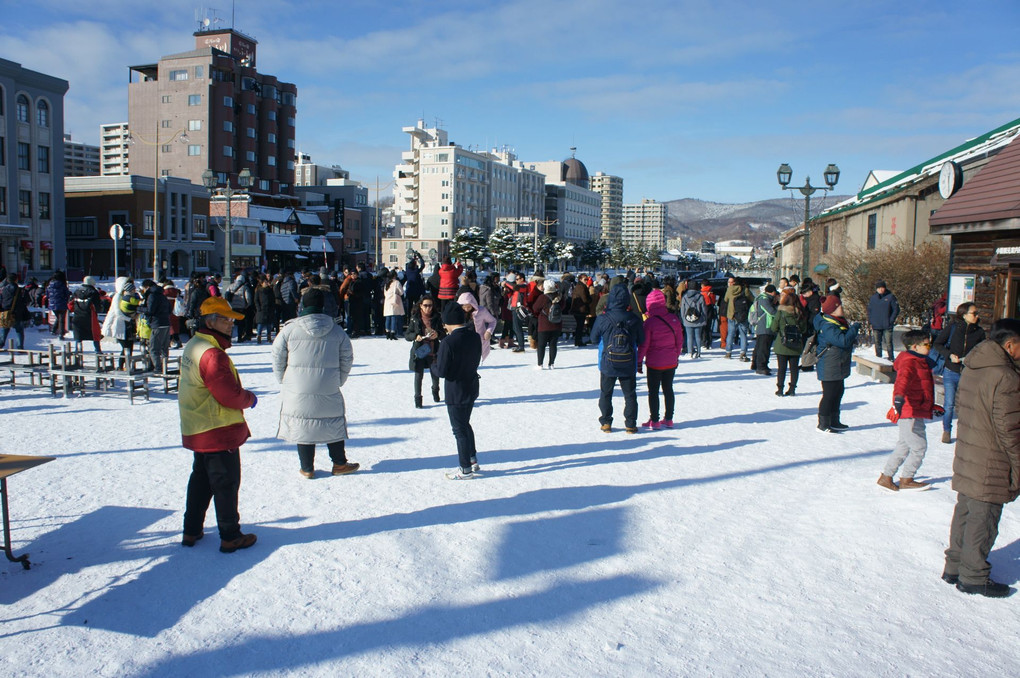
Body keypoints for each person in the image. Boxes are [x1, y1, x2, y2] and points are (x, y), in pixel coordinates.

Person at [942, 318, 1020, 598]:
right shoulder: (1006, 376)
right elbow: (1010, 429)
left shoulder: (975, 366)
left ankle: (954, 566)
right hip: (992, 458)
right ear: (1009, 345)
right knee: (983, 516)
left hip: (970, 449)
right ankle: (973, 575)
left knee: (965, 509)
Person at [179, 296, 258, 554]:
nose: (231, 325)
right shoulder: (213, 354)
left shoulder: (195, 344)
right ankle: (230, 535)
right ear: (211, 321)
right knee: (225, 483)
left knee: (201, 481)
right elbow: (228, 394)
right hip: (217, 429)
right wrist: (249, 398)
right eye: (226, 320)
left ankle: (191, 529)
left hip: (198, 425)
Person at [272, 288, 359, 479]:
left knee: (303, 422)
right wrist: (339, 379)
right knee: (332, 421)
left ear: (302, 304)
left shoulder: (289, 329)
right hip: (328, 384)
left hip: (297, 386)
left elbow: (277, 356)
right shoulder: (336, 330)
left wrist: (283, 380)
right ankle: (339, 463)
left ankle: (307, 468)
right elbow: (347, 357)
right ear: (322, 306)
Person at [877, 330, 936, 492]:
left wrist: (932, 406)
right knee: (919, 447)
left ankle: (886, 477)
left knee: (903, 446)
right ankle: (907, 479)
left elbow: (922, 387)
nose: (929, 347)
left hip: (915, 409)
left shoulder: (919, 360)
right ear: (915, 346)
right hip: (909, 410)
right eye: (927, 344)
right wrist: (899, 399)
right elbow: (902, 381)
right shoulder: (910, 362)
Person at [433, 302, 483, 480]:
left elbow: (442, 371)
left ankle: (465, 469)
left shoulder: (448, 341)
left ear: (449, 322)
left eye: (445, 323)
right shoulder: (475, 336)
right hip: (471, 386)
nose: (444, 326)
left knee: (459, 429)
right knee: (465, 424)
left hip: (456, 391)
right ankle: (472, 459)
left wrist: (433, 365)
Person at [591, 283, 645, 434]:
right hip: (628, 362)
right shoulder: (634, 318)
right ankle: (631, 424)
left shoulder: (603, 318)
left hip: (608, 361)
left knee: (606, 393)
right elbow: (641, 339)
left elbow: (594, 338)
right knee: (630, 395)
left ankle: (606, 422)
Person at [932, 302, 986, 444]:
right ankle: (947, 431)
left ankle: (965, 433)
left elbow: (983, 352)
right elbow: (938, 344)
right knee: (949, 404)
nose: (977, 316)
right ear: (964, 315)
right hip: (951, 371)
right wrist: (949, 355)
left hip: (969, 373)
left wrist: (973, 359)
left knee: (967, 405)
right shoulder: (953, 328)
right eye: (974, 313)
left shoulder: (979, 332)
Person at [813, 294, 860, 433]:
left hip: (837, 362)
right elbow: (842, 341)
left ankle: (834, 420)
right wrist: (854, 329)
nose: (842, 308)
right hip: (829, 364)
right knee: (829, 395)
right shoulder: (828, 325)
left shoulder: (837, 321)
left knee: (838, 392)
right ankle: (823, 424)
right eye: (839, 306)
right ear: (832, 309)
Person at [637, 288, 682, 429]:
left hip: (654, 363)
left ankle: (655, 420)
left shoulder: (650, 322)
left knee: (654, 391)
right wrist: (676, 355)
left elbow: (644, 345)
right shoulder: (674, 319)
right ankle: (669, 418)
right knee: (668, 389)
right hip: (670, 361)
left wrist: (639, 361)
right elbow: (679, 341)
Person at [405, 296, 445, 408]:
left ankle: (435, 391)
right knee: (418, 376)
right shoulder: (415, 318)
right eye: (425, 305)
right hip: (420, 351)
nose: (428, 308)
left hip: (433, 351)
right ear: (420, 306)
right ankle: (418, 399)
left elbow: (443, 334)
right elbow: (407, 335)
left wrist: (438, 334)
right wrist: (415, 336)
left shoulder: (437, 317)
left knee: (435, 375)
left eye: (430, 305)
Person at [769, 291, 808, 396]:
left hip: (782, 344)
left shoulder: (781, 313)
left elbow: (774, 328)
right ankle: (792, 389)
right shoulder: (800, 313)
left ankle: (780, 389)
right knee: (794, 368)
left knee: (781, 368)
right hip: (796, 344)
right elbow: (804, 330)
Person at [102, 277, 140, 371]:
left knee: (129, 346)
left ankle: (127, 365)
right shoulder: (118, 296)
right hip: (119, 325)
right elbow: (117, 312)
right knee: (125, 347)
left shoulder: (130, 297)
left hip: (128, 326)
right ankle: (121, 365)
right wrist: (129, 319)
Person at [531, 279, 564, 369]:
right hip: (557, 324)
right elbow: (563, 307)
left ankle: (540, 364)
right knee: (553, 345)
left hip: (544, 325)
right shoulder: (560, 297)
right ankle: (551, 364)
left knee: (541, 345)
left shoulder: (543, 297)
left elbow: (535, 308)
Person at [140, 279, 171, 373]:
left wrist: (139, 308)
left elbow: (150, 310)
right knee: (164, 347)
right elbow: (170, 309)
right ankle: (163, 366)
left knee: (153, 348)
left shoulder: (152, 296)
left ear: (147, 287)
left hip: (157, 324)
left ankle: (158, 368)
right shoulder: (162, 295)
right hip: (166, 323)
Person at [457, 291, 497, 362]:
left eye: (468, 306)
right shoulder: (458, 313)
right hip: (462, 342)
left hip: (476, 342)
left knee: (473, 362)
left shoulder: (481, 311)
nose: (466, 309)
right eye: (464, 307)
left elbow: (493, 321)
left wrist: (488, 332)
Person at [750, 284, 779, 375]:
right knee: (764, 348)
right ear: (773, 292)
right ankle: (761, 366)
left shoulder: (761, 298)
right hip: (765, 326)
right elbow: (771, 312)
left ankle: (756, 364)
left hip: (762, 327)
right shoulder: (764, 299)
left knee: (760, 346)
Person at [867, 280, 900, 360]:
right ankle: (878, 358)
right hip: (876, 324)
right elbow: (869, 310)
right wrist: (871, 320)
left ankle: (891, 358)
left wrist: (891, 320)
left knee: (888, 343)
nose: (880, 290)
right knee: (877, 343)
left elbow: (896, 309)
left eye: (882, 288)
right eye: (878, 288)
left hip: (887, 324)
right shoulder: (873, 298)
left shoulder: (890, 297)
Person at [724, 276, 754, 362]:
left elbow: (726, 299)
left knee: (730, 334)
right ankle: (743, 353)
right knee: (743, 334)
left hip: (732, 315)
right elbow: (753, 299)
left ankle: (728, 352)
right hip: (742, 315)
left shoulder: (730, 289)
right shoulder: (745, 290)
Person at [71, 276, 103, 354]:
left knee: (78, 333)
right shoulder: (93, 292)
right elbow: (97, 306)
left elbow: (70, 304)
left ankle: (77, 350)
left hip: (77, 315)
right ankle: (97, 350)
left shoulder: (76, 291)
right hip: (90, 316)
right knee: (95, 334)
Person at [0, 274, 30, 349]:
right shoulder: (21, 290)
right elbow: (27, 301)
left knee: (4, 330)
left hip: (6, 313)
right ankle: (20, 347)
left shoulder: (3, 290)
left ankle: (1, 345)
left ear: (7, 280)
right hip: (18, 313)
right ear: (16, 280)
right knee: (19, 330)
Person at [679, 283, 707, 359]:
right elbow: (704, 309)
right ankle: (698, 352)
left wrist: (683, 319)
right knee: (698, 337)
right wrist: (704, 318)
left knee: (689, 337)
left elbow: (682, 310)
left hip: (687, 320)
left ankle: (690, 352)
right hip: (698, 320)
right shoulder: (701, 297)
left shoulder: (685, 297)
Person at [46, 270, 70, 338]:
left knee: (58, 317)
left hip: (52, 304)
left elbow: (47, 295)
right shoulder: (62, 285)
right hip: (62, 303)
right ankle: (61, 334)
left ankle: (54, 330)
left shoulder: (49, 285)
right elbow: (66, 294)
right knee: (62, 319)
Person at [383, 270, 405, 340]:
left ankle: (387, 332)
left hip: (387, 301)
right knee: (393, 317)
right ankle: (392, 333)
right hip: (394, 301)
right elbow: (401, 292)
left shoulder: (386, 283)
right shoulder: (397, 282)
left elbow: (384, 293)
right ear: (395, 276)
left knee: (388, 318)